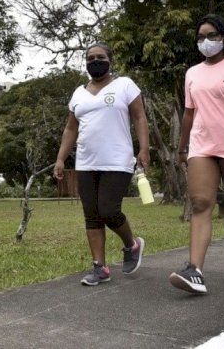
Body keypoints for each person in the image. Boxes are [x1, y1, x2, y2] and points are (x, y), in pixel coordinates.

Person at [169, 14, 224, 294]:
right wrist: (182, 147)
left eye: (211, 35)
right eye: (200, 37)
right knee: (200, 203)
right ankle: (195, 271)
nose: (205, 41)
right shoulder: (192, 73)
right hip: (201, 146)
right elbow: (188, 113)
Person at [54, 43, 151, 286]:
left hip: (118, 160)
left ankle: (132, 244)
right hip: (86, 162)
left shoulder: (125, 85)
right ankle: (100, 267)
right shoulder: (78, 93)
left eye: (100, 57)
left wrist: (144, 148)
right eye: (90, 58)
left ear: (110, 60)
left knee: (108, 210)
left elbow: (139, 116)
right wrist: (60, 157)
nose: (95, 61)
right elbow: (70, 128)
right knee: (92, 216)